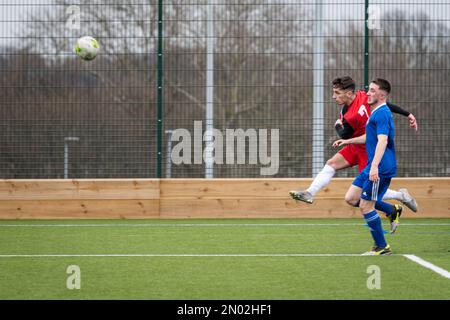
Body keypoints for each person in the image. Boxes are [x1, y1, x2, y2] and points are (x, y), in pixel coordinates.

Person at [289, 76, 418, 232]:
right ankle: (310, 193)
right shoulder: (354, 103)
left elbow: (345, 133)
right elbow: (348, 132)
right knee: (331, 164)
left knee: (365, 192)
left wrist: (337, 125)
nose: (333, 96)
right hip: (355, 145)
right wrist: (407, 114)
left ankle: (400, 197)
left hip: (367, 149)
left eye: (337, 93)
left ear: (349, 93)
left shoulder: (359, 106)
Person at [332, 78, 398, 255]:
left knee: (366, 206)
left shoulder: (382, 113)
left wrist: (375, 166)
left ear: (382, 95)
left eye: (373, 91)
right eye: (368, 90)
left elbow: (382, 140)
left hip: (380, 167)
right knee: (351, 198)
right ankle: (392, 210)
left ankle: (382, 247)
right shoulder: (375, 112)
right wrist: (347, 141)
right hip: (372, 165)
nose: (367, 93)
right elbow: (369, 137)